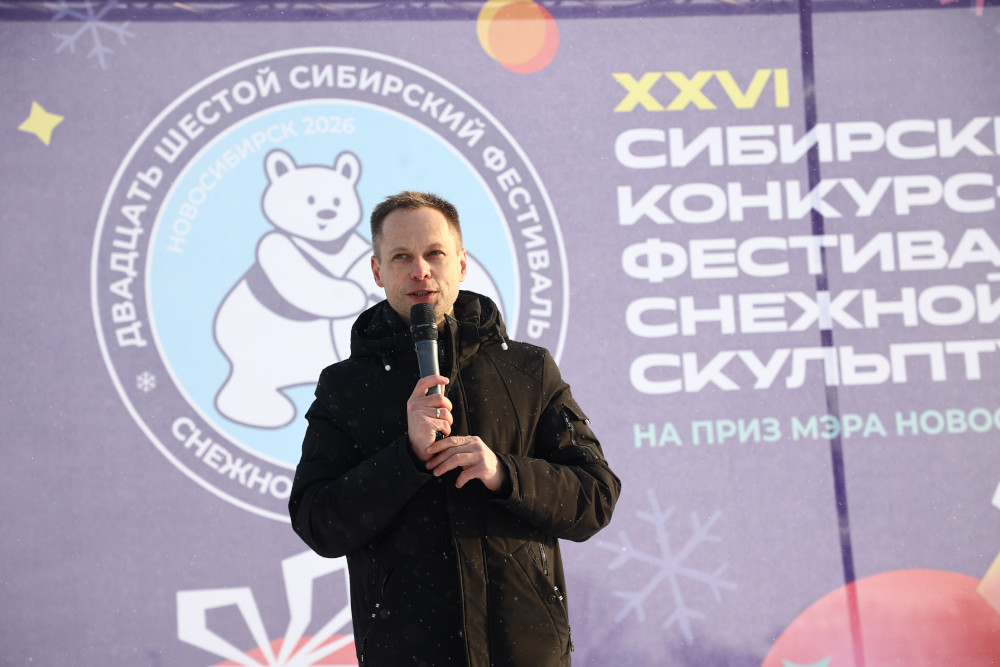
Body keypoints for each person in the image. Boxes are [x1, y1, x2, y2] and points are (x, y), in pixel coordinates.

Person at [289, 191, 620, 667]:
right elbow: (317, 522)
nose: (420, 270)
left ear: (461, 264)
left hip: (526, 654)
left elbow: (595, 497)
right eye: (401, 257)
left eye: (434, 254)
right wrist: (406, 457)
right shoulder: (345, 388)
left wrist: (504, 473)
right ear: (378, 271)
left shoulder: (528, 370)